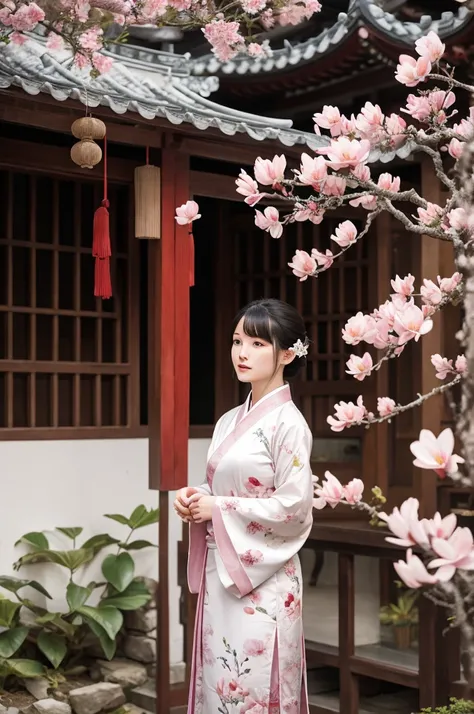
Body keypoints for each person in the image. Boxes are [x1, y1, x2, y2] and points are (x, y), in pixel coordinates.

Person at [174, 298, 314, 714]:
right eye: (238, 341)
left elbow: (294, 506)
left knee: (256, 685)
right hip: (225, 573)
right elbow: (223, 485)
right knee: (220, 681)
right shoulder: (229, 419)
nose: (242, 353)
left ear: (287, 354)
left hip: (263, 580)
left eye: (257, 344)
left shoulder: (290, 424)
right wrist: (196, 496)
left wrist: (217, 507)